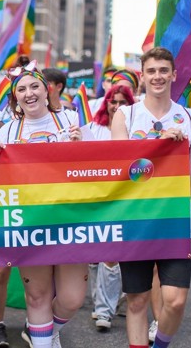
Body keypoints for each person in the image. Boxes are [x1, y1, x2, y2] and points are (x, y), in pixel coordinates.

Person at [111, 47, 191, 348]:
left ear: (174, 75)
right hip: (137, 219)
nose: (158, 76)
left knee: (175, 300)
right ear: (143, 76)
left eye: (163, 70)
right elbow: (121, 170)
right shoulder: (125, 115)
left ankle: (161, 344)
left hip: (176, 220)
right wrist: (157, 144)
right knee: (137, 301)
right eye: (151, 71)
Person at [0, 59, 87, 348]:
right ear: (15, 97)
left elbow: (94, 168)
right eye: (22, 89)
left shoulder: (71, 121)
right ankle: (42, 337)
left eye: (35, 86)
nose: (29, 93)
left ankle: (45, 329)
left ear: (47, 90)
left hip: (70, 221)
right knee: (37, 296)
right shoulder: (7, 131)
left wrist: (82, 147)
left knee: (72, 298)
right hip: (30, 222)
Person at [84, 84, 135, 333]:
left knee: (113, 255)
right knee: (96, 256)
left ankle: (106, 309)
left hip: (124, 199)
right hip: (96, 198)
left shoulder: (135, 125)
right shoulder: (94, 128)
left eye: (122, 101)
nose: (117, 106)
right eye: (113, 101)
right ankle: (103, 305)